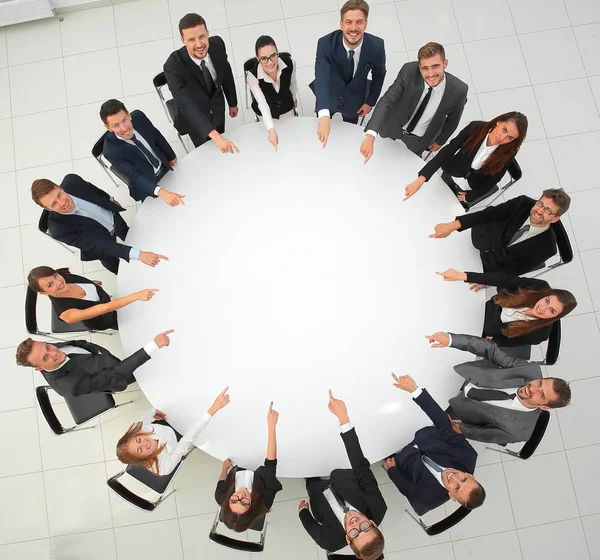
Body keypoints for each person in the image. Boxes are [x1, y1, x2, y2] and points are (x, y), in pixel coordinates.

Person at [426, 331, 572, 444]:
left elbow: (475, 433)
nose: (532, 388)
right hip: (458, 375)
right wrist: (451, 340)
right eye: (539, 383)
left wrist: (451, 425)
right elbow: (490, 349)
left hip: (452, 408)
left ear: (545, 407)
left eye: (541, 395)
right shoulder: (529, 370)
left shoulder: (519, 432)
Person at [298, 390, 386, 559]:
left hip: (317, 490)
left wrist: (303, 510)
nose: (355, 524)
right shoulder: (378, 506)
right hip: (340, 470)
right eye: (366, 527)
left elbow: (309, 524)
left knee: (306, 461)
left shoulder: (328, 541)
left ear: (348, 539)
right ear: (373, 523)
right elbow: (360, 467)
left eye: (354, 534)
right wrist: (344, 420)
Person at [384, 373, 485, 515]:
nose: (454, 477)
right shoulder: (467, 455)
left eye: (456, 488)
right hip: (420, 432)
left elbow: (406, 488)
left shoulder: (428, 499)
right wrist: (415, 391)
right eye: (463, 479)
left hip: (402, 458)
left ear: (451, 496)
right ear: (470, 475)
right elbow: (443, 423)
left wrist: (392, 470)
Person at [32, 174, 168, 274]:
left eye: (59, 195)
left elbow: (92, 188)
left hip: (112, 218)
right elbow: (99, 245)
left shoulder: (72, 181)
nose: (63, 203)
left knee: (128, 233)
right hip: (101, 244)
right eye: (54, 204)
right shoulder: (58, 229)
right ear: (48, 209)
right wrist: (138, 255)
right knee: (116, 265)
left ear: (60, 187)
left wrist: (110, 199)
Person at [361, 42, 467, 161]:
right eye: (425, 68)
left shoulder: (459, 90)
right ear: (419, 67)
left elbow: (453, 120)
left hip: (419, 138)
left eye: (435, 66)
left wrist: (440, 140)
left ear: (445, 63)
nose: (431, 74)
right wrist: (370, 135)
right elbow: (387, 100)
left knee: (409, 166)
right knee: (379, 157)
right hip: (392, 126)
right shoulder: (409, 71)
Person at [429, 188, 571, 276]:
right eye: (540, 204)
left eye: (548, 211)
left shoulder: (548, 248)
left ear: (555, 219)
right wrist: (453, 225)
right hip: (477, 239)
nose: (539, 211)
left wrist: (486, 280)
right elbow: (488, 214)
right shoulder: (522, 203)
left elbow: (516, 269)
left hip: (487, 268)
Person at [403, 112, 528, 208]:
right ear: (499, 122)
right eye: (504, 129)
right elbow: (449, 150)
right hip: (452, 172)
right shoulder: (475, 128)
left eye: (509, 138)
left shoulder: (507, 153)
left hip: (469, 188)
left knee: (445, 208)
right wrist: (422, 178)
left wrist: (471, 196)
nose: (502, 138)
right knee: (430, 198)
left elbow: (493, 181)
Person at [436, 268, 577, 347]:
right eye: (547, 300)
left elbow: (510, 342)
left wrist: (492, 340)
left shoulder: (540, 334)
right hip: (483, 307)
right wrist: (465, 276)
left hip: (482, 330)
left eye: (551, 311)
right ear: (546, 294)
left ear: (555, 317)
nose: (542, 308)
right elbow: (505, 280)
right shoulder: (539, 287)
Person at [312, 0, 386, 148]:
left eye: (359, 22)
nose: (353, 28)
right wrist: (324, 115)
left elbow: (379, 74)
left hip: (355, 99)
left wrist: (370, 101)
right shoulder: (325, 44)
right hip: (329, 95)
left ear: (365, 24)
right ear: (341, 24)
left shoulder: (377, 46)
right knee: (324, 121)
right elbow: (322, 78)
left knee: (351, 125)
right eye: (348, 22)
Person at [15, 329, 174, 398]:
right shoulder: (70, 385)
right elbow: (115, 373)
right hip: (119, 375)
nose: (54, 352)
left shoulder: (48, 350)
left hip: (101, 358)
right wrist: (152, 346)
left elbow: (77, 343)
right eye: (45, 358)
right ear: (39, 368)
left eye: (48, 347)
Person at [164, 13, 239, 151]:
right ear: (183, 40)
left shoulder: (218, 44)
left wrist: (232, 102)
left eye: (202, 36)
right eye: (191, 39)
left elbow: (226, 72)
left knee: (220, 135)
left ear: (208, 33)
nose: (199, 44)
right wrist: (216, 137)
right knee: (205, 149)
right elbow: (185, 103)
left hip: (217, 106)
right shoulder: (172, 66)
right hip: (194, 117)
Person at [116, 386, 230, 475]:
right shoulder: (164, 466)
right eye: (140, 450)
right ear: (141, 459)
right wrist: (214, 408)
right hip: (180, 438)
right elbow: (188, 439)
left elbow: (145, 416)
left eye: (139, 439)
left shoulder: (137, 430)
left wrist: (154, 411)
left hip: (171, 422)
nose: (144, 443)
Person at [100, 99, 185, 206]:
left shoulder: (139, 117)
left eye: (124, 120)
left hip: (164, 166)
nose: (124, 128)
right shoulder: (110, 151)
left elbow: (156, 135)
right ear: (108, 127)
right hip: (147, 184)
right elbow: (134, 175)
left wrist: (171, 157)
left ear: (129, 115)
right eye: (116, 125)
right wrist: (162, 192)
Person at [215, 402, 283, 532]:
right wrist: (271, 427)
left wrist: (224, 468)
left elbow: (221, 482)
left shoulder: (220, 497)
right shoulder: (264, 501)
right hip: (260, 472)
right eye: (245, 502)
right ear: (252, 506)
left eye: (234, 500)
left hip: (239, 463)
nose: (240, 494)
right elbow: (270, 464)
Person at [27, 265, 159, 331]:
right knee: (140, 325)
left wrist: (90, 284)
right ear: (43, 293)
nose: (59, 282)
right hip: (105, 318)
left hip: (105, 300)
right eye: (50, 285)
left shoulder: (63, 276)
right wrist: (136, 296)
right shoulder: (66, 314)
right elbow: (105, 308)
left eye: (55, 276)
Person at [246, 35, 299, 150]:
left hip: (286, 105)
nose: (270, 63)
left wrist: (294, 98)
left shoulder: (290, 63)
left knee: (290, 136)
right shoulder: (252, 76)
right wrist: (271, 129)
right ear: (257, 58)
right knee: (268, 140)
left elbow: (293, 82)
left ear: (277, 52)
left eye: (273, 56)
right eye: (264, 58)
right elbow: (262, 103)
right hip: (265, 109)